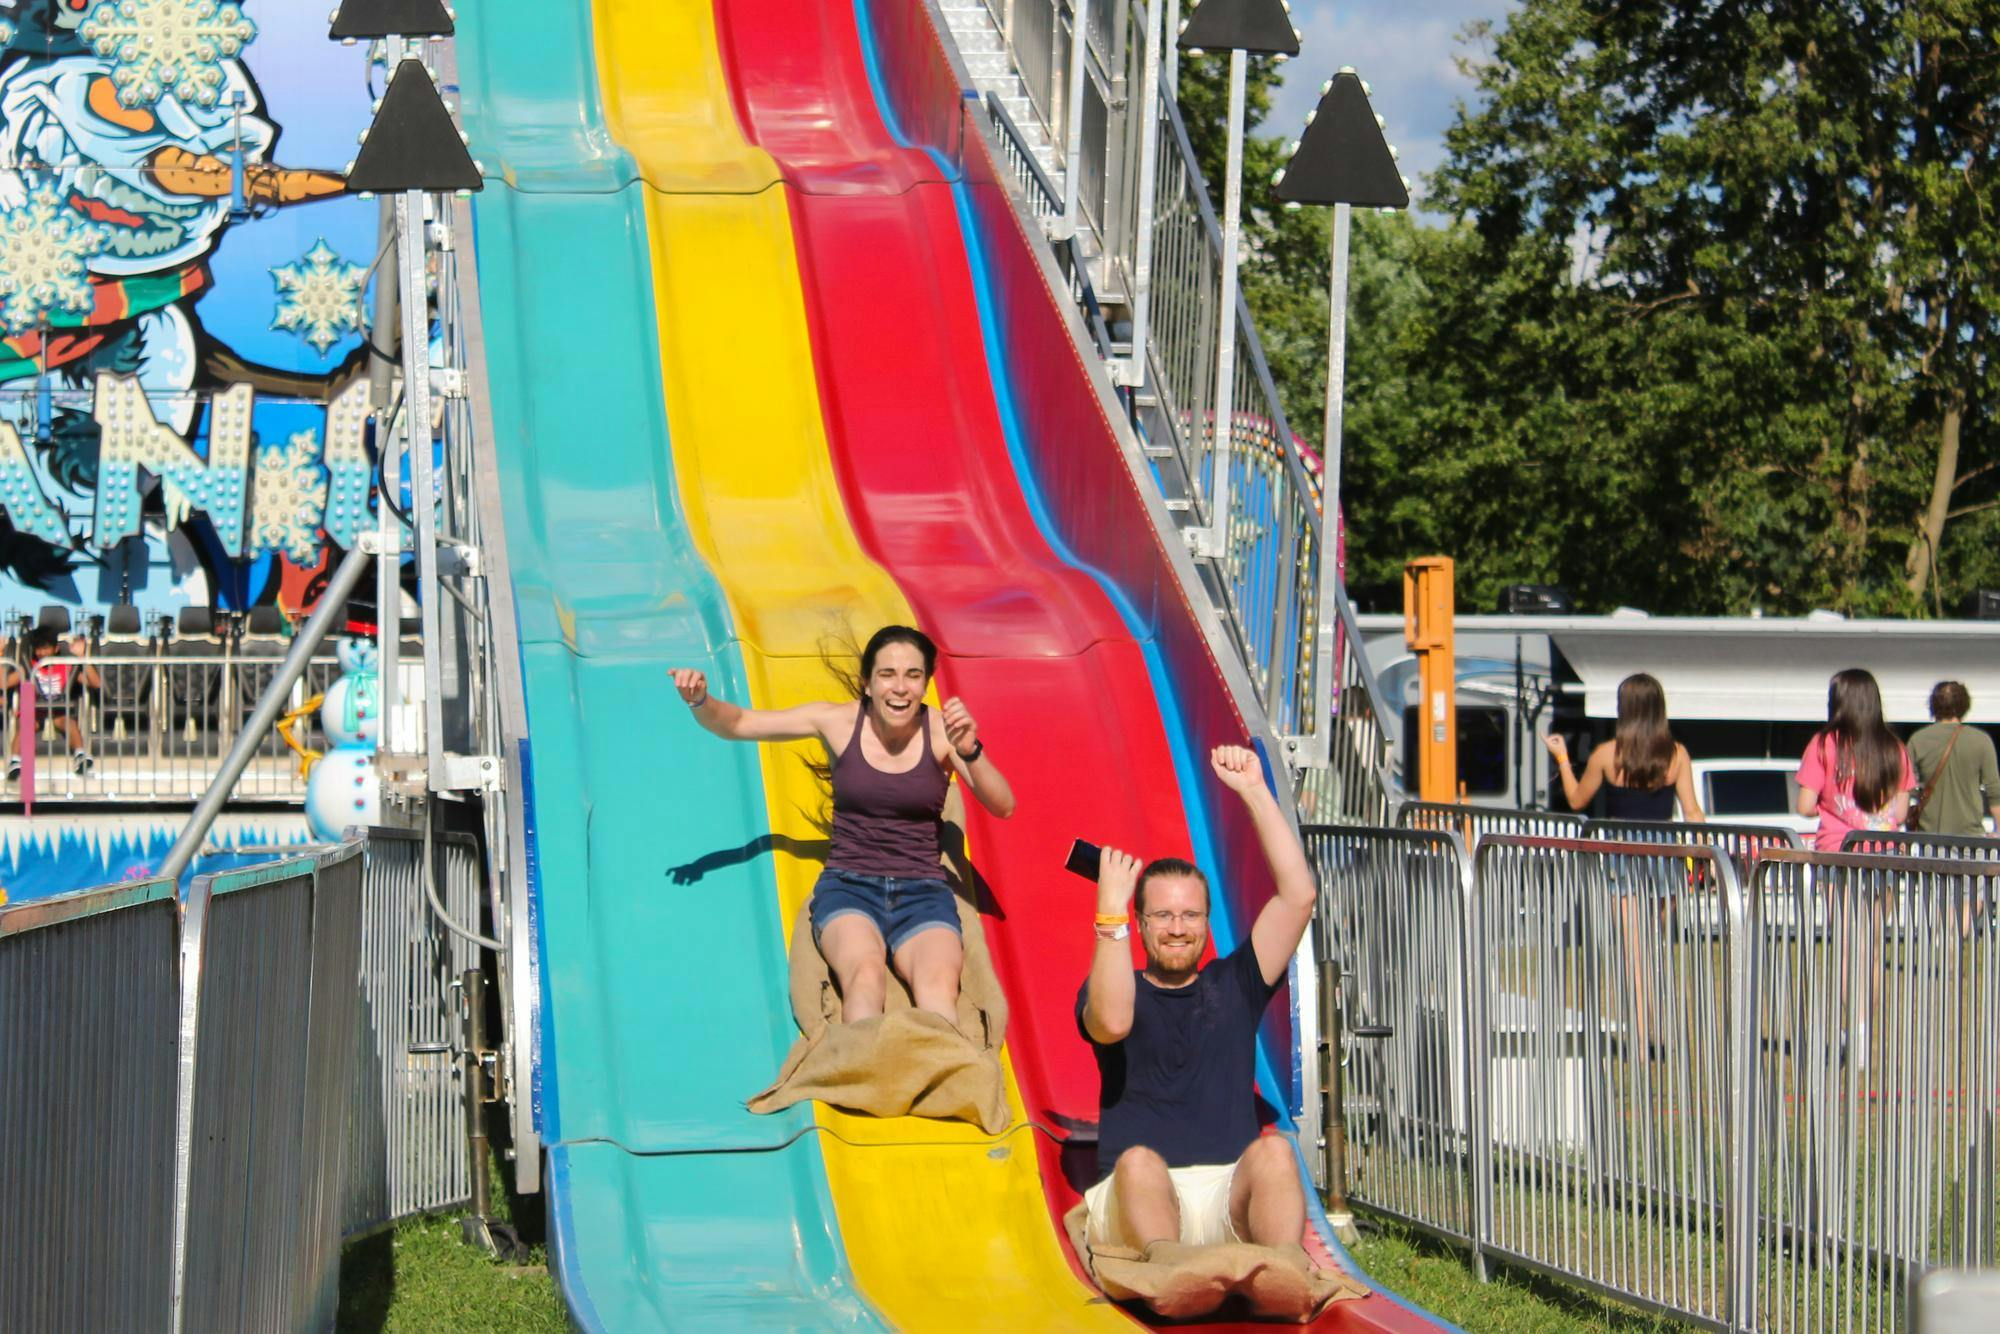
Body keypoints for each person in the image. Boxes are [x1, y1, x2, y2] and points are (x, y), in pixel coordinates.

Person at [670, 625, 1014, 1025]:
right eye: (887, 674)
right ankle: (861, 1078)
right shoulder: (836, 721)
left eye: (913, 675)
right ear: (867, 683)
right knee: (865, 980)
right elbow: (740, 723)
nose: (900, 687)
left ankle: (940, 1080)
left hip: (923, 892)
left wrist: (970, 751)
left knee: (938, 991)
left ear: (925, 683)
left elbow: (1003, 805)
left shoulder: (944, 734)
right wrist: (700, 701)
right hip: (850, 888)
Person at [1075, 744, 1316, 1255]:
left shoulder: (1235, 984)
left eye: (1190, 916)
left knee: (1274, 1155)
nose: (1178, 929)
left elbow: (1298, 895)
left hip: (1223, 1198)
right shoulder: (1114, 983)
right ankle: (1170, 1267)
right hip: (1141, 1201)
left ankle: (1282, 1271)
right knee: (1139, 1163)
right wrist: (1109, 912)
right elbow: (1112, 1022)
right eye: (1162, 916)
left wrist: (1253, 790)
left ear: (1208, 923)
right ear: (1139, 924)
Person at [1542, 673, 1704, 822]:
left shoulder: (1605, 754)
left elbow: (1576, 801)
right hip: (1661, 848)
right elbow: (1692, 812)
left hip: (1621, 848)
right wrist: (1708, 849)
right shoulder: (1676, 754)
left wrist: (1562, 757)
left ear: (1623, 708)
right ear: (1659, 709)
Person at [1796, 668, 1913, 852]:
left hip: (1837, 853)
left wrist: (1832, 808)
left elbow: (1804, 807)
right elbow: (1899, 814)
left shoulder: (1824, 744)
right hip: (1887, 853)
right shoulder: (1895, 747)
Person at [1, 627, 101, 777]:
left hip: (58, 711)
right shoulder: (29, 667)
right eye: (38, 650)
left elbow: (96, 683)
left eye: (46, 649)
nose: (42, 653)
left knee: (70, 723)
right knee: (26, 724)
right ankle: (15, 761)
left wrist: (83, 658)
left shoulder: (65, 666)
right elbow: (4, 683)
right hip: (35, 712)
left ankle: (80, 755)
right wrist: (1, 655)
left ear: (56, 648)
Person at [1907, 681, 2000, 837]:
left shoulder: (1918, 740)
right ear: (1964, 705)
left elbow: (1904, 788)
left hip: (1929, 840)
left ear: (1933, 705)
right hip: (1970, 839)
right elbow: (1994, 791)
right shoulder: (1982, 741)